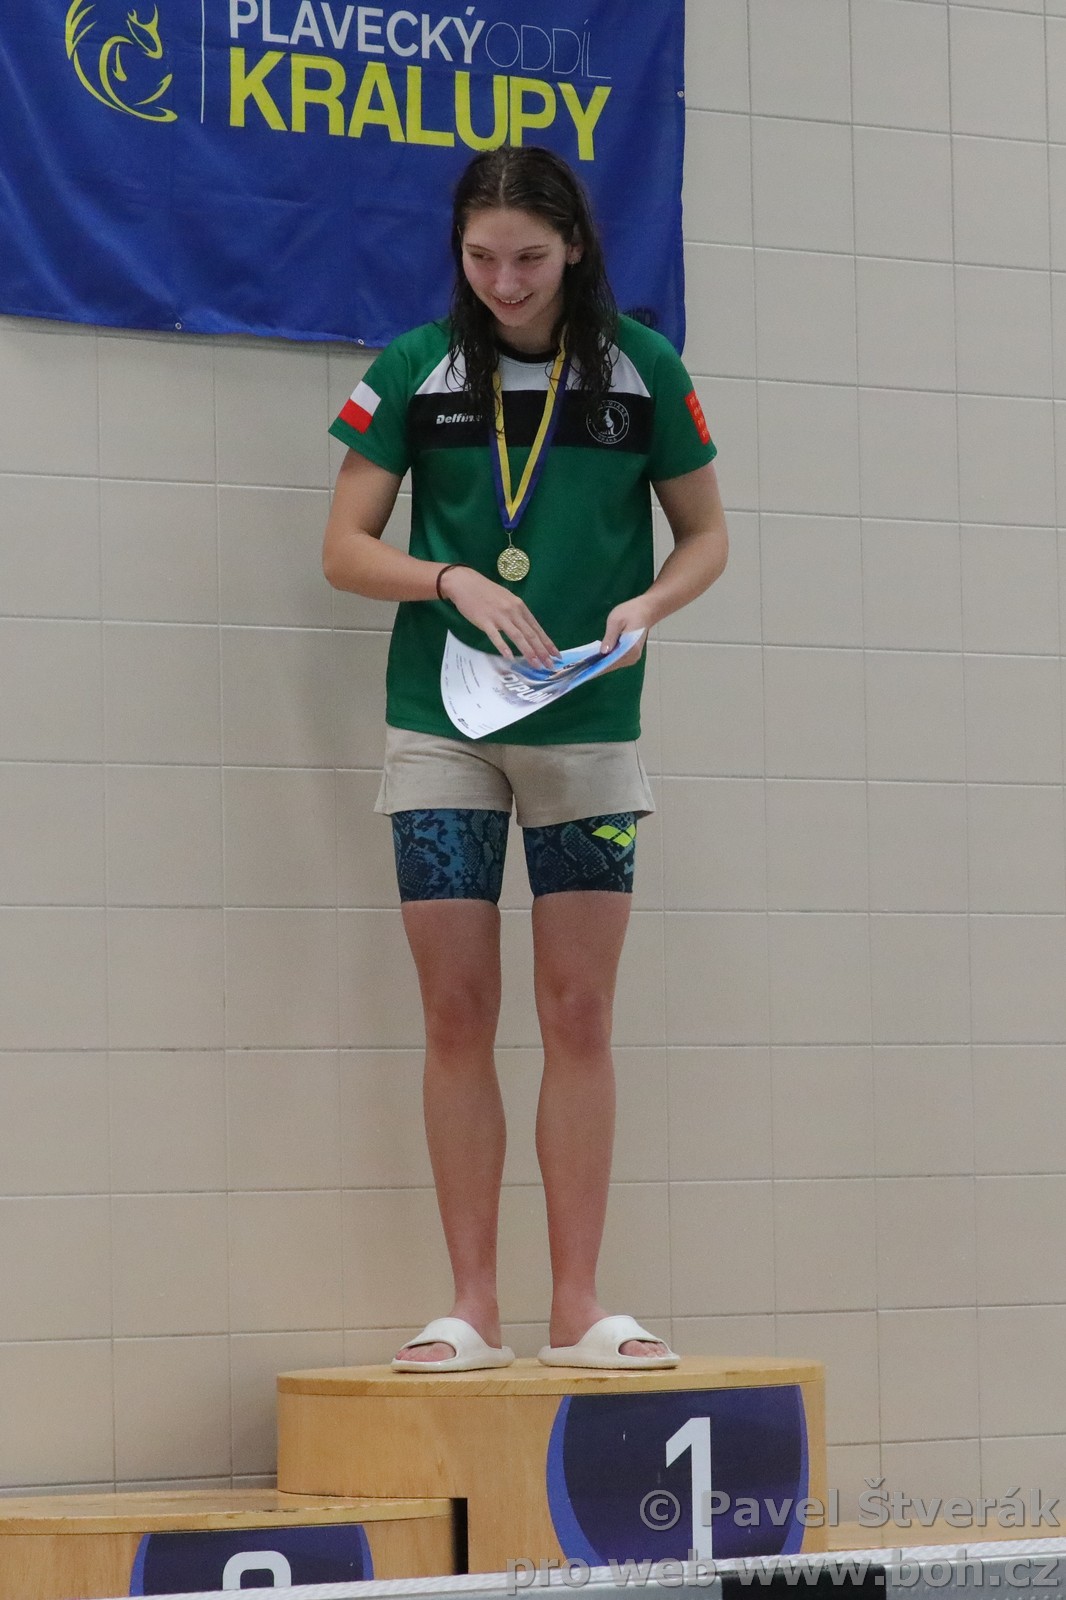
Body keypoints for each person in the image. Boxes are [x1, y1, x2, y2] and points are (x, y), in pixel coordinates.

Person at [322, 145, 728, 1372]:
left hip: (587, 728)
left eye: (530, 259)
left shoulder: (642, 369)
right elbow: (344, 548)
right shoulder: (415, 368)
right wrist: (446, 576)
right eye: (481, 257)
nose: (504, 282)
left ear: (577, 250)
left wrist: (647, 605)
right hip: (443, 724)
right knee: (456, 1008)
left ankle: (578, 1305)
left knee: (579, 1010)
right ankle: (470, 1306)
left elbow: (706, 537)